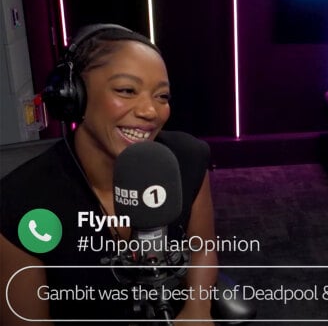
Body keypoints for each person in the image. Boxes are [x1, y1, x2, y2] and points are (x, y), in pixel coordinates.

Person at [1, 24, 218, 325]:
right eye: (126, 90)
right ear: (72, 95)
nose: (151, 111)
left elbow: (203, 247)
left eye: (162, 96)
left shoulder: (187, 158)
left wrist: (197, 309)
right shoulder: (22, 200)